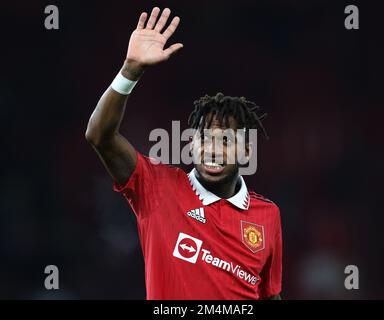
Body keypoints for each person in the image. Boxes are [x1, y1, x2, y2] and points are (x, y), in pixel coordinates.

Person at [86, 7, 282, 300]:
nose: (213, 149)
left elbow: (269, 295)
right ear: (191, 145)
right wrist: (130, 71)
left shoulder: (268, 215)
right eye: (204, 138)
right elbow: (99, 136)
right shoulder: (156, 187)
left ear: (246, 151)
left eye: (226, 140)